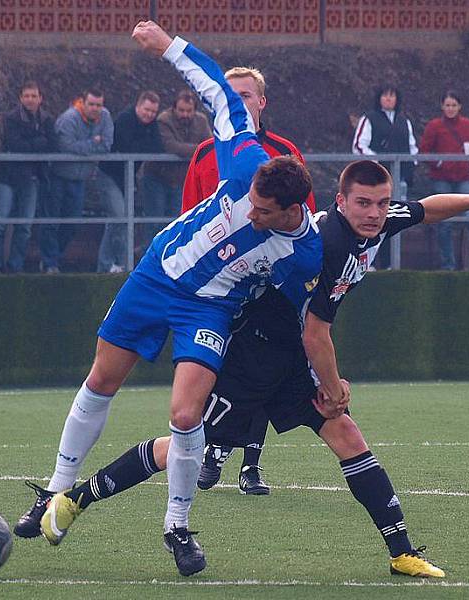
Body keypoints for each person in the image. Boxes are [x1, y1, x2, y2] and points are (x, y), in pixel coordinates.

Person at [36, 159, 469, 578]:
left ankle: (402, 553)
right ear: (341, 202)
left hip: (291, 361)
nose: (375, 214)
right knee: (185, 443)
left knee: (348, 438)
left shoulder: (376, 221)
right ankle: (78, 497)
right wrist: (333, 389)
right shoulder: (328, 245)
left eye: (381, 204)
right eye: (364, 204)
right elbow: (317, 334)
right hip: (250, 356)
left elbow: (423, 209)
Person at [14, 21, 322, 578]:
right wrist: (169, 46)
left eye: (261, 212)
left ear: (291, 211)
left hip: (211, 307)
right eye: (248, 198)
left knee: (185, 416)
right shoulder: (243, 157)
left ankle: (177, 528)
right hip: (157, 275)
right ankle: (54, 491)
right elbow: (217, 90)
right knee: (102, 380)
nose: (249, 210)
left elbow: (309, 316)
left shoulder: (302, 254)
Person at [181, 65, 316, 496]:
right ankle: (215, 448)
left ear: (262, 102)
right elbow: (189, 216)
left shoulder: (283, 152)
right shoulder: (206, 153)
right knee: (218, 368)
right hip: (219, 284)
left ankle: (250, 465)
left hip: (271, 281)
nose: (239, 102)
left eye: (246, 95)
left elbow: (303, 216)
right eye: (230, 95)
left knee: (267, 367)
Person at [40, 89, 113, 273]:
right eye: (92, 104)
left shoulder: (105, 117)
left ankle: (56, 256)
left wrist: (87, 147)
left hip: (80, 178)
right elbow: (65, 145)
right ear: (83, 102)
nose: (95, 109)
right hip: (58, 175)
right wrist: (93, 143)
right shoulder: (69, 118)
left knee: (73, 222)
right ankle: (50, 263)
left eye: (99, 105)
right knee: (51, 221)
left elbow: (106, 145)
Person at [420, 91, 469, 271]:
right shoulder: (434, 126)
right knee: (444, 222)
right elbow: (424, 150)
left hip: (463, 178)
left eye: (454, 105)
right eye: (447, 105)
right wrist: (439, 163)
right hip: (441, 179)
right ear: (442, 106)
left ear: (459, 106)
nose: (450, 108)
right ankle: (448, 264)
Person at [0, 81, 55, 273]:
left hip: (32, 178)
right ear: (20, 98)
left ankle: (15, 267)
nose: (30, 100)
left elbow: (53, 144)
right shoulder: (10, 118)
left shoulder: (47, 119)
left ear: (40, 98)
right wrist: (38, 142)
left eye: (34, 96)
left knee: (25, 227)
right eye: (27, 96)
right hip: (8, 177)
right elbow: (16, 145)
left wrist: (32, 143)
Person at [96, 90, 163, 273]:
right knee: (119, 217)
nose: (149, 115)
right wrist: (143, 146)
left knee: (121, 220)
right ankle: (108, 264)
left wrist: (142, 146)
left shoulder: (152, 125)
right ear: (138, 106)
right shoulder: (125, 119)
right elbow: (126, 146)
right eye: (146, 110)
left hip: (128, 178)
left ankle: (115, 264)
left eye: (153, 112)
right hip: (110, 175)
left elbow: (157, 147)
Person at [352, 84, 418, 268]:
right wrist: (377, 165)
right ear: (379, 98)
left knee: (394, 219)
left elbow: (412, 147)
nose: (389, 99)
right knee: (371, 219)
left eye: (392, 96)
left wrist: (410, 166)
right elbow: (359, 146)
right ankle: (368, 263)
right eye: (385, 95)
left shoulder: (404, 120)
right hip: (375, 182)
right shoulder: (369, 118)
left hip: (399, 180)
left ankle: (391, 264)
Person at [141, 89, 211, 220]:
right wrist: (198, 149)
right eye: (181, 110)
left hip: (183, 179)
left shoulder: (201, 121)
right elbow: (171, 146)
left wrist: (195, 149)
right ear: (174, 108)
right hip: (158, 176)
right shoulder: (164, 119)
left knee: (179, 220)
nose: (185, 114)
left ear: (194, 110)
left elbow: (209, 145)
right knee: (155, 221)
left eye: (189, 111)